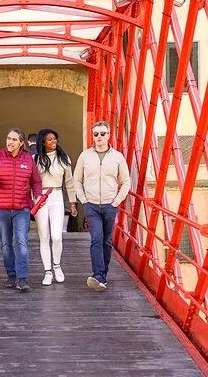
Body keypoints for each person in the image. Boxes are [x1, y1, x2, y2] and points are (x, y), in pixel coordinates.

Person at [0, 128, 42, 292]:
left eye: (14, 139)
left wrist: (38, 195)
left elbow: (36, 181)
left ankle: (22, 278)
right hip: (2, 208)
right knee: (6, 243)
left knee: (21, 241)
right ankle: (11, 275)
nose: (10, 142)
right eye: (8, 138)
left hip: (22, 208)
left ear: (21, 143)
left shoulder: (28, 159)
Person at [74, 121, 130, 291]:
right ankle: (98, 274)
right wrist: (84, 200)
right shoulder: (85, 156)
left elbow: (126, 182)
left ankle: (102, 276)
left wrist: (116, 201)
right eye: (96, 134)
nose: (99, 137)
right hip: (91, 205)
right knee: (96, 238)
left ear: (109, 135)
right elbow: (77, 180)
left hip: (110, 205)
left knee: (106, 241)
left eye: (102, 133)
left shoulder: (117, 157)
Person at [33, 129, 78, 286]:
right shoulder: (35, 158)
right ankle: (47, 271)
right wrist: (33, 199)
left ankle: (57, 266)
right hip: (40, 198)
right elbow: (31, 181)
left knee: (57, 236)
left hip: (57, 196)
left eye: (55, 139)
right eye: (50, 139)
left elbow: (69, 182)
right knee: (44, 237)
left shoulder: (64, 158)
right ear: (43, 142)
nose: (54, 141)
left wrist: (72, 203)